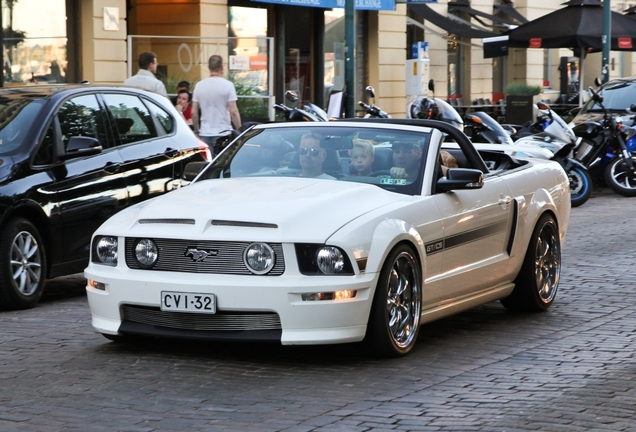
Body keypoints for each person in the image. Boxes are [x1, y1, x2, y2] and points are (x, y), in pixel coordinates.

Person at [192, 55, 242, 154]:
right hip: (223, 132)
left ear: (209, 67)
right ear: (222, 67)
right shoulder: (228, 85)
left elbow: (194, 112)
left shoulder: (199, 85)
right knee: (221, 165)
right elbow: (234, 112)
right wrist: (240, 130)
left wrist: (197, 130)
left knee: (208, 165)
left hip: (205, 132)